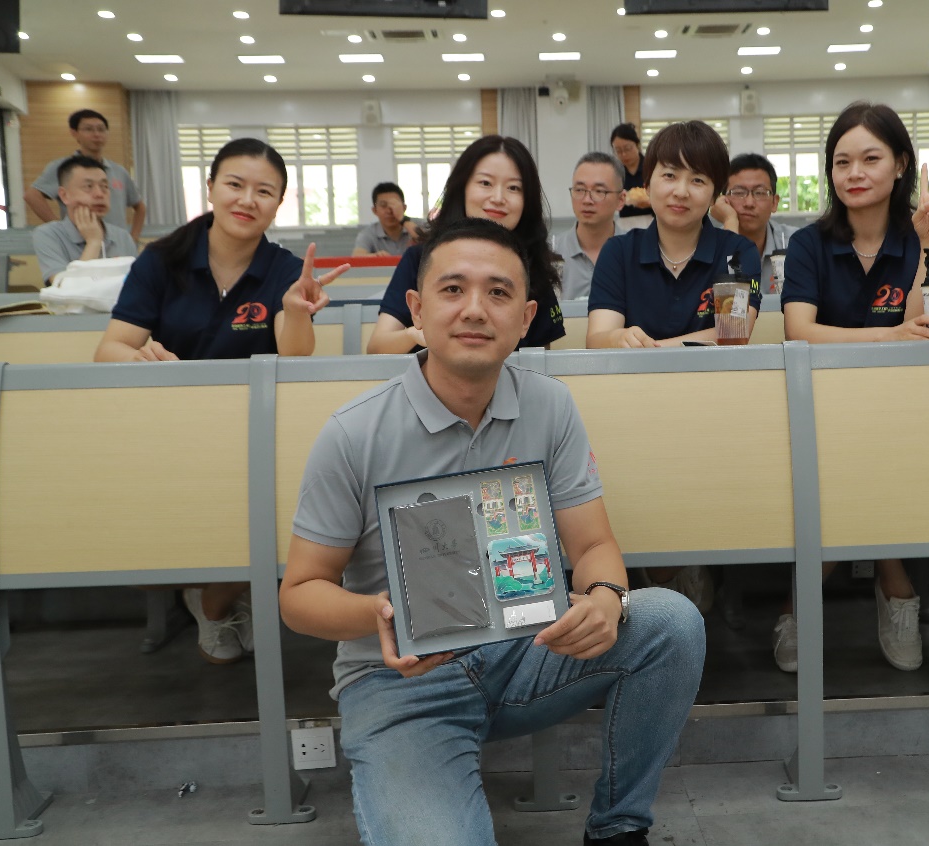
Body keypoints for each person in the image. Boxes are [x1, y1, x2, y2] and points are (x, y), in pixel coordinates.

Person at [279, 217, 705, 846]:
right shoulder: (353, 433)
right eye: (453, 289)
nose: (475, 309)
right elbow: (299, 594)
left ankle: (618, 827)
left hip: (528, 652)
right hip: (401, 684)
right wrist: (381, 614)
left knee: (671, 621)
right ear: (416, 309)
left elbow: (593, 545)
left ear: (526, 317)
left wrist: (606, 598)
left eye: (499, 292)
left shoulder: (550, 405)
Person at [95, 137, 348, 664]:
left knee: (293, 505)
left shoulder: (283, 268)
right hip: (171, 430)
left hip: (257, 432)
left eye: (265, 191)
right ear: (211, 188)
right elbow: (109, 349)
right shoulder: (161, 260)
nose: (247, 199)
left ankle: (213, 602)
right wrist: (141, 358)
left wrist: (295, 310)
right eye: (235, 184)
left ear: (278, 204)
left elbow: (295, 354)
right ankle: (220, 590)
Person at [779, 102, 929, 675]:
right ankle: (893, 579)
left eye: (870, 159)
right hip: (820, 409)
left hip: (906, 407)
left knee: (882, 456)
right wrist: (889, 334)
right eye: (842, 161)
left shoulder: (920, 236)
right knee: (849, 464)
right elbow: (799, 331)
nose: (854, 173)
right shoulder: (808, 244)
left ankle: (803, 602)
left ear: (900, 164)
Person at [365, 135, 566, 354]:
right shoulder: (421, 258)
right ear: (462, 187)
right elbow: (378, 348)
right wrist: (418, 334)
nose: (498, 197)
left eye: (514, 188)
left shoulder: (534, 264)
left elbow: (539, 360)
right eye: (485, 183)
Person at [587, 119, 761, 349]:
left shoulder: (736, 253)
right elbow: (597, 339)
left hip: (714, 374)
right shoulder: (618, 253)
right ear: (647, 185)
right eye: (670, 175)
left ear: (714, 196)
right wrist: (616, 339)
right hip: (632, 373)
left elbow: (733, 333)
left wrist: (651, 351)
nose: (681, 192)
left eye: (697, 180)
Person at [25, 109, 146, 240]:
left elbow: (140, 206)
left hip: (116, 242)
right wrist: (59, 227)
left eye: (101, 129)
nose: (96, 134)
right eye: (89, 129)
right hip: (80, 241)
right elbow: (32, 195)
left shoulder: (119, 171)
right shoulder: (64, 167)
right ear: (74, 133)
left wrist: (134, 237)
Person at [32, 154, 138, 285]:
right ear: (64, 195)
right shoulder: (48, 235)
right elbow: (65, 289)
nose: (99, 194)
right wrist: (93, 242)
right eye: (88, 186)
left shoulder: (122, 237)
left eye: (104, 187)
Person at [715, 153, 801, 295]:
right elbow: (726, 301)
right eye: (738, 192)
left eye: (760, 193)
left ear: (774, 202)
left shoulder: (796, 243)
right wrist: (730, 221)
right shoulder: (708, 245)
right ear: (723, 200)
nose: (749, 203)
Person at [555, 152, 625, 300]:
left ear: (621, 200)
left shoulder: (635, 251)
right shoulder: (551, 252)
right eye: (579, 190)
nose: (587, 200)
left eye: (599, 191)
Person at [352, 182, 417, 256]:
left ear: (404, 207)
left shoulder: (419, 225)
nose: (389, 211)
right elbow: (357, 256)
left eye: (394, 205)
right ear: (375, 210)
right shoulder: (368, 233)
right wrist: (376, 257)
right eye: (383, 205)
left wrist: (402, 219)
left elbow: (424, 241)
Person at [610, 123, 653, 227]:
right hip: (625, 223)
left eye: (628, 148)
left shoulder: (651, 167)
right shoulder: (615, 172)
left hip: (652, 221)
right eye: (618, 151)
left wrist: (651, 203)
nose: (624, 154)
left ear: (637, 145)